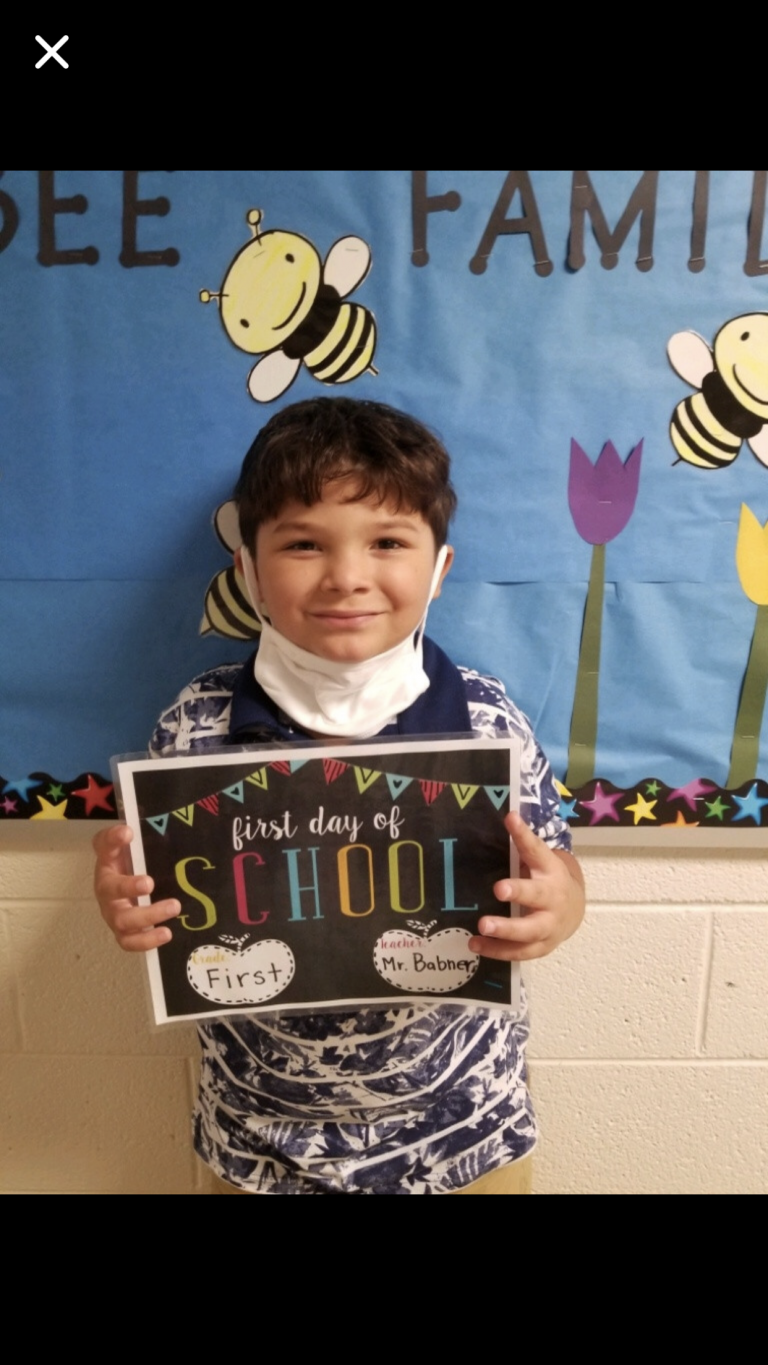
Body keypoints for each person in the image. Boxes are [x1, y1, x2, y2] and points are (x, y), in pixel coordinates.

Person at [94, 397, 584, 1195]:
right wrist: (124, 901)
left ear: (440, 569)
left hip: (465, 1137)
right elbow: (149, 895)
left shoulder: (487, 721)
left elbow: (556, 867)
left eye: (387, 541)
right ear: (248, 568)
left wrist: (560, 905)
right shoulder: (194, 726)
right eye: (303, 543)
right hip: (258, 1147)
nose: (347, 577)